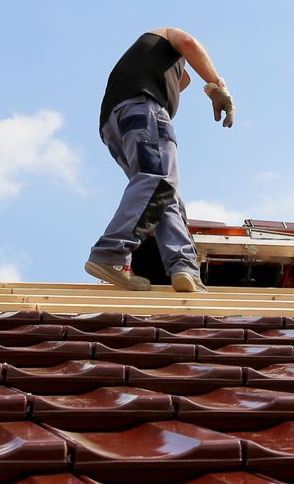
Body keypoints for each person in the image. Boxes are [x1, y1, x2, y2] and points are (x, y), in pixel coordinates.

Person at [85, 27, 234, 293]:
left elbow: (182, 81)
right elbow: (188, 42)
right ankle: (111, 253)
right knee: (159, 179)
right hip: (144, 110)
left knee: (163, 194)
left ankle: (184, 268)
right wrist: (217, 87)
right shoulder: (164, 36)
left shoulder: (142, 65)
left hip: (115, 125)